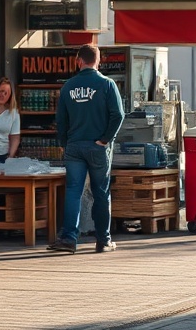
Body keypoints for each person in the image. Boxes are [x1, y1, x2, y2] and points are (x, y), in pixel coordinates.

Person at [47, 44, 125, 254]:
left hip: (74, 146)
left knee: (73, 191)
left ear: (78, 60)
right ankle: (103, 240)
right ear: (97, 61)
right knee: (101, 193)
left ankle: (69, 239)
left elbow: (61, 120)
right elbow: (118, 115)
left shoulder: (68, 86)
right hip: (98, 147)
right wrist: (106, 139)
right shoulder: (107, 84)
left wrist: (65, 143)